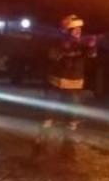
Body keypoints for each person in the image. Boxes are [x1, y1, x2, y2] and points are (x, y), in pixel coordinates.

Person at [37, 14, 92, 154]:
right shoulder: (57, 42)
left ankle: (68, 144)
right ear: (67, 30)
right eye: (75, 29)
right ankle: (42, 141)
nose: (78, 31)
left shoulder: (83, 44)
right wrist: (65, 47)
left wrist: (91, 46)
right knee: (48, 114)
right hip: (55, 84)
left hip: (75, 85)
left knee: (72, 117)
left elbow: (90, 55)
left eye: (79, 29)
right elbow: (52, 56)